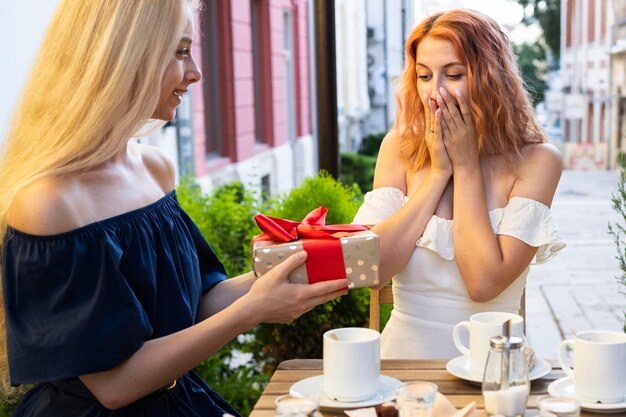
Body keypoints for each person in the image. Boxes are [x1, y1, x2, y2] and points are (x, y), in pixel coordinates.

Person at [0, 1, 349, 416]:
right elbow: (112, 385)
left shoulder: (154, 168)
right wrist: (250, 312)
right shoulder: (47, 204)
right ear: (120, 58)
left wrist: (287, 265)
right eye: (180, 51)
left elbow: (194, 302)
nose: (196, 72)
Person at [353, 9, 565, 359]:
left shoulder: (539, 159)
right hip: (401, 365)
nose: (434, 92)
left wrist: (465, 167)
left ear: (490, 77)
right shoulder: (399, 148)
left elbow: (483, 283)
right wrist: (438, 174)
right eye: (423, 75)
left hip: (494, 363)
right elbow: (370, 272)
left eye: (453, 74)